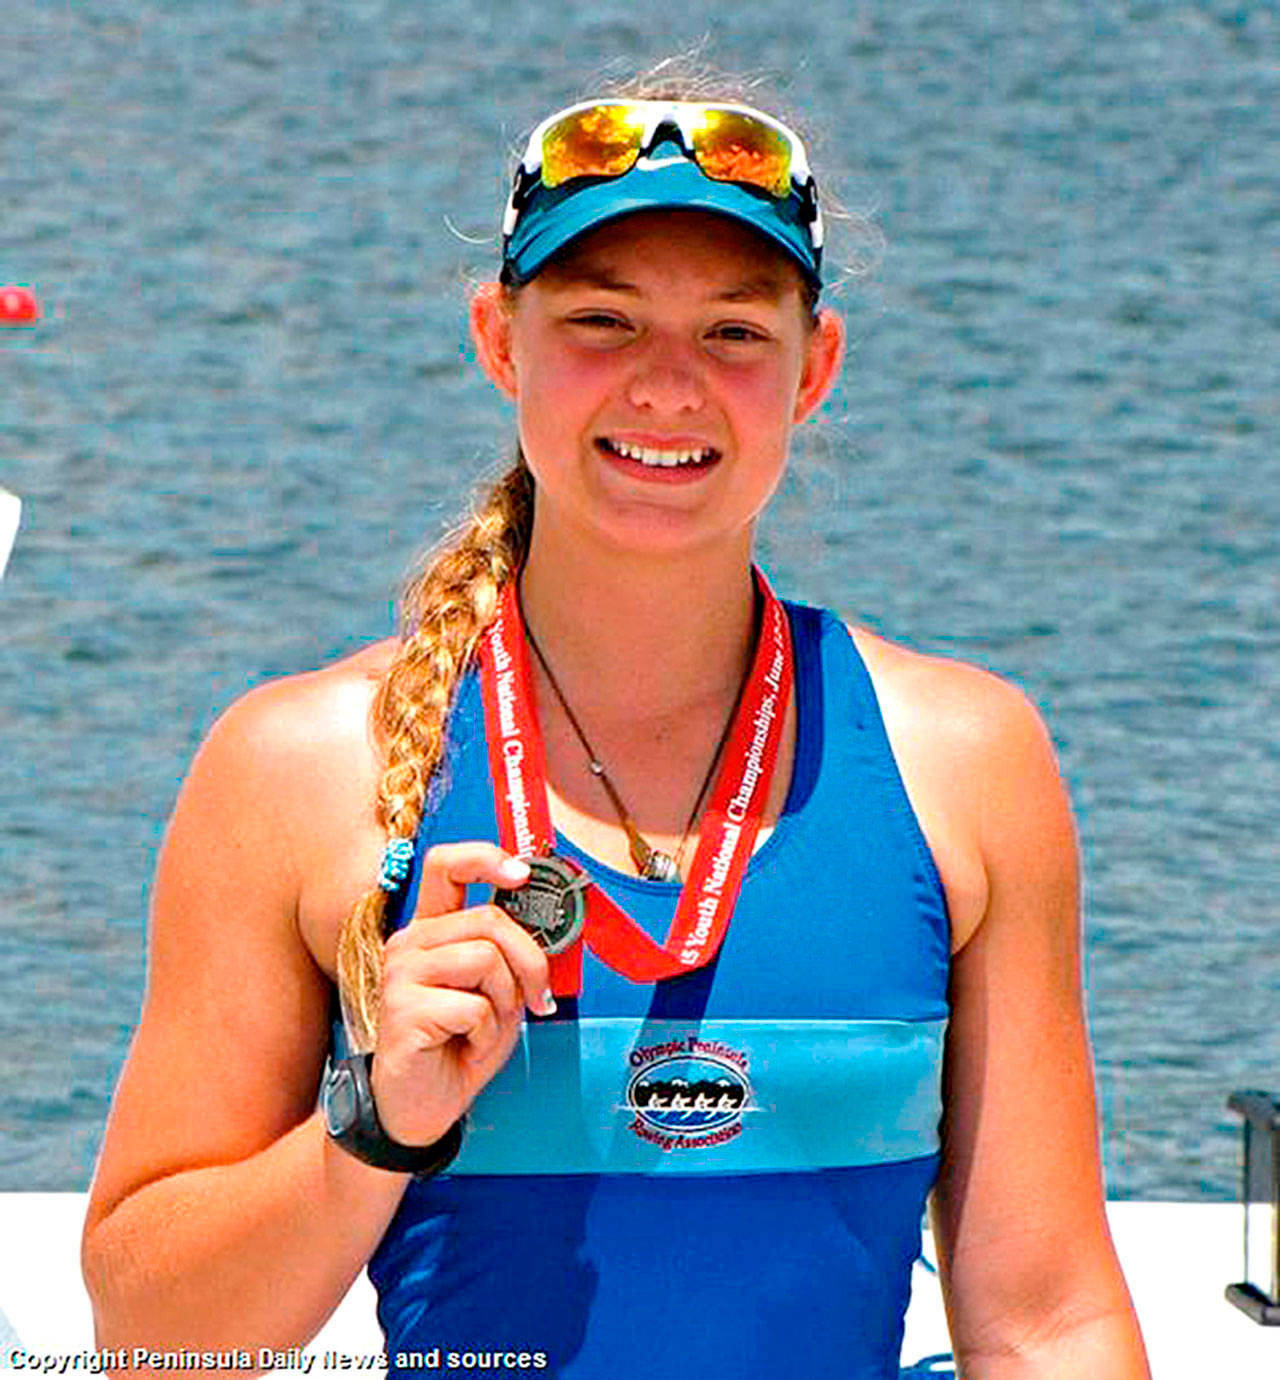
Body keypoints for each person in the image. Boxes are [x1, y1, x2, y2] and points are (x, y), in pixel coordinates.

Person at [82, 71, 1151, 1380]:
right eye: (602, 321)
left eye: (734, 335)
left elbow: (1048, 1322)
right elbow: (147, 1340)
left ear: (815, 367)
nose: (665, 388)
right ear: (498, 340)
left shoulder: (963, 762)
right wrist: (375, 1123)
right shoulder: (305, 772)